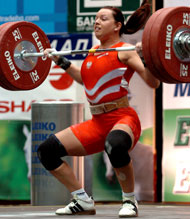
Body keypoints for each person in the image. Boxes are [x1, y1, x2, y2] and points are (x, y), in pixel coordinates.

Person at [37, 0, 160, 217]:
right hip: (97, 122)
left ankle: (130, 201)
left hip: (123, 118)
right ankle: (82, 200)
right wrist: (60, 60)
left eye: (103, 19)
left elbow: (154, 83)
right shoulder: (93, 51)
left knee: (114, 145)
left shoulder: (125, 51)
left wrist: (145, 57)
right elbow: (85, 80)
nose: (96, 23)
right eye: (95, 19)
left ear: (117, 26)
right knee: (47, 150)